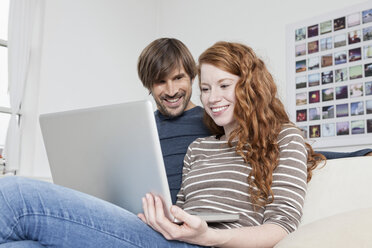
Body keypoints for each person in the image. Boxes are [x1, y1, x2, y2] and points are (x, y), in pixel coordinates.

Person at [136, 38, 372, 204]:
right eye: (160, 82)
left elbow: (274, 144)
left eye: (178, 78)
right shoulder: (139, 129)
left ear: (191, 77)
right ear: (148, 84)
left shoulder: (214, 121)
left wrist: (360, 154)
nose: (171, 89)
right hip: (150, 220)